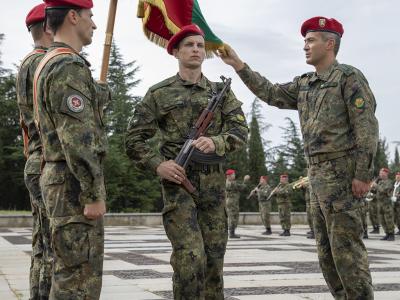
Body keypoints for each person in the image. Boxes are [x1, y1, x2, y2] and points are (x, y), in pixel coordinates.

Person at [219, 16, 378, 299]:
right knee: (326, 253)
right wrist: (239, 65)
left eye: (310, 40)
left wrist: (363, 174)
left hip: (342, 174)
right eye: (304, 41)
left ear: (330, 44)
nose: (305, 46)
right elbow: (271, 93)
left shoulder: (348, 78)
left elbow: (366, 127)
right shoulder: (305, 84)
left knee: (347, 251)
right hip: (316, 176)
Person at [125, 24, 248, 300]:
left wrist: (216, 142)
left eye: (200, 46)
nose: (196, 49)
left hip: (214, 190)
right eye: (189, 45)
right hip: (179, 186)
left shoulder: (221, 93)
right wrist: (159, 164)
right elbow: (134, 140)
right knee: (189, 259)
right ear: (176, 52)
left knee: (214, 262)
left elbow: (241, 132)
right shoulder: (159, 93)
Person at [34, 0, 110, 298]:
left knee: (68, 274)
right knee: (79, 280)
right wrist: (93, 193)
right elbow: (78, 139)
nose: (94, 24)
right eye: (90, 16)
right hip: (72, 185)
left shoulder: (49, 61)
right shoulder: (68, 66)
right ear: (73, 16)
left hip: (60, 177)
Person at [16, 3, 53, 299]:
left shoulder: (28, 61)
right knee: (55, 248)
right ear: (51, 27)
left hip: (35, 160)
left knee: (42, 246)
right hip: (47, 162)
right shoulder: (44, 63)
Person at [225, 169, 250, 238]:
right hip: (232, 202)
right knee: (233, 216)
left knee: (232, 216)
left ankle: (231, 232)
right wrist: (245, 180)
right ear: (229, 176)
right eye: (233, 174)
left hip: (230, 201)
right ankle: (232, 233)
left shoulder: (227, 182)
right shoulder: (232, 183)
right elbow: (242, 187)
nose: (234, 175)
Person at [371, 168, 395, 241]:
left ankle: (391, 234)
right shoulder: (380, 182)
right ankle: (387, 233)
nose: (380, 174)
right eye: (379, 173)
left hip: (387, 204)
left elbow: (384, 190)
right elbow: (375, 191)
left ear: (386, 173)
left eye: (381, 173)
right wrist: (372, 187)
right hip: (380, 204)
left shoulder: (389, 182)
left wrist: (376, 186)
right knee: (382, 220)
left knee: (388, 219)